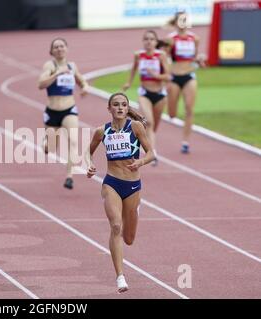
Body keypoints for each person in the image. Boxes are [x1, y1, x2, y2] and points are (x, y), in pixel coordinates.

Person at [85, 92, 155, 293]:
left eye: (123, 105)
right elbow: (88, 152)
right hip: (112, 183)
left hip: (132, 185)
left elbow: (151, 153)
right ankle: (120, 277)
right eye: (116, 105)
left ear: (127, 108)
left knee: (129, 238)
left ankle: (135, 211)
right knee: (116, 226)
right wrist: (89, 165)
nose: (120, 108)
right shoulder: (101, 132)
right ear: (109, 109)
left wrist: (140, 161)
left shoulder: (136, 127)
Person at [38, 37, 89, 189]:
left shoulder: (72, 66)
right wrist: (57, 74)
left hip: (69, 109)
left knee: (73, 141)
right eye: (56, 47)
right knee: (52, 147)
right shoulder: (50, 65)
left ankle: (69, 177)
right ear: (51, 52)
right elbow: (40, 84)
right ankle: (46, 145)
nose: (59, 49)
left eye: (62, 46)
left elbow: (81, 80)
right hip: (52, 111)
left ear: (67, 49)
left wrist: (85, 87)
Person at [123, 30, 170, 166]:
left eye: (151, 39)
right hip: (144, 93)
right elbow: (133, 69)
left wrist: (156, 75)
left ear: (156, 42)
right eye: (146, 39)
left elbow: (167, 76)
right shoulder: (138, 56)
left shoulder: (161, 56)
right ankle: (152, 153)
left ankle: (149, 143)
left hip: (160, 95)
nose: (149, 42)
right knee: (148, 122)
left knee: (153, 126)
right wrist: (129, 82)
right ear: (143, 42)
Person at [163, 11, 205, 154]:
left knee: (189, 109)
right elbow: (164, 58)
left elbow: (194, 57)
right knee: (172, 114)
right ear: (176, 23)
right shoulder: (170, 39)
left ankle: (185, 142)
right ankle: (172, 113)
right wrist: (166, 75)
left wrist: (199, 60)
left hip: (189, 76)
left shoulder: (195, 38)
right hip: (174, 77)